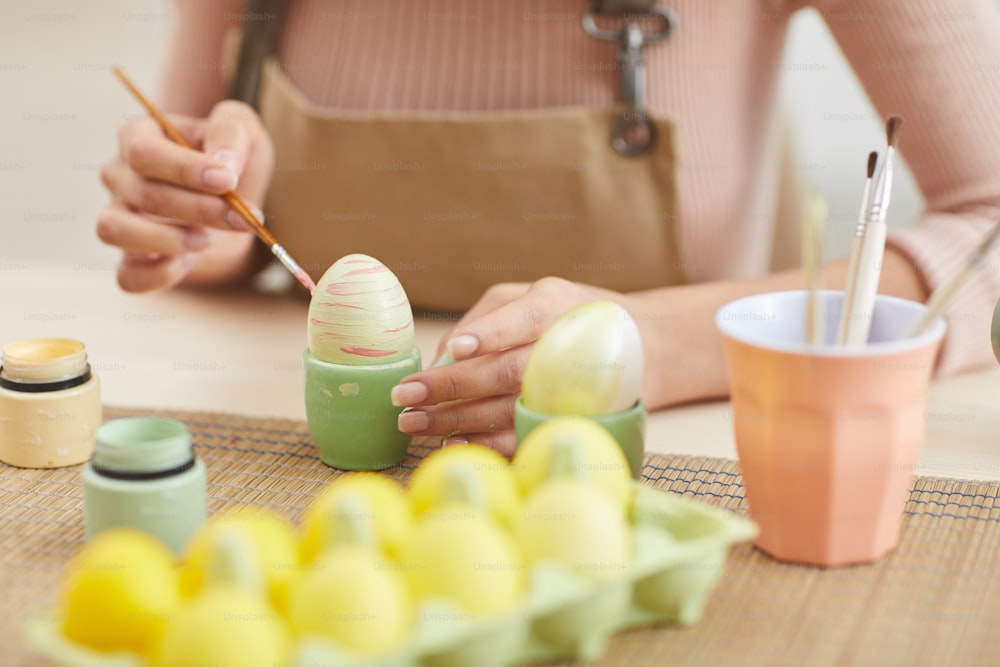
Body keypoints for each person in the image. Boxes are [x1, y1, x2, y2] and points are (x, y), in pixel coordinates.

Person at [99, 0, 1000, 454]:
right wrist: (199, 222)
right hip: (293, 447)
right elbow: (210, 225)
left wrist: (656, 342)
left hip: (673, 465)